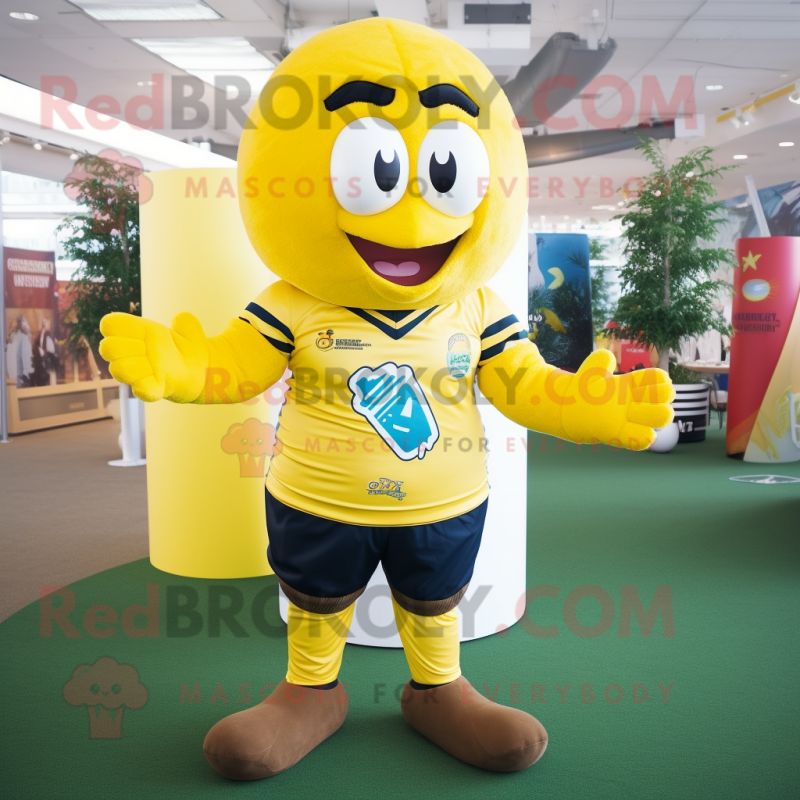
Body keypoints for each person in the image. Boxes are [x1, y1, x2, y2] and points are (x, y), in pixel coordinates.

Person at [100, 18, 675, 781]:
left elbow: (524, 382)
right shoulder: (295, 301)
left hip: (444, 504)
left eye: (444, 171)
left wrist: (585, 406)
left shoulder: (474, 305)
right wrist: (184, 366)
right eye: (369, 171)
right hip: (316, 499)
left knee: (434, 601)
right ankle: (310, 691)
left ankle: (439, 689)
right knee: (316, 599)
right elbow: (235, 364)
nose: (410, 219)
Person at [7, 317, 35, 388]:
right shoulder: (24, 337)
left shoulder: (11, 339)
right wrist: (31, 372)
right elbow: (26, 359)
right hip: (22, 377)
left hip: (12, 378)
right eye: (27, 323)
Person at [34, 317, 58, 386]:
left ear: (48, 325)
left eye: (45, 323)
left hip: (49, 360)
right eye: (43, 323)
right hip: (42, 361)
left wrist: (44, 353)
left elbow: (51, 349)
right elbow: (37, 345)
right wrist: (39, 350)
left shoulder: (50, 335)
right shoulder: (40, 334)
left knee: (51, 378)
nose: (44, 324)